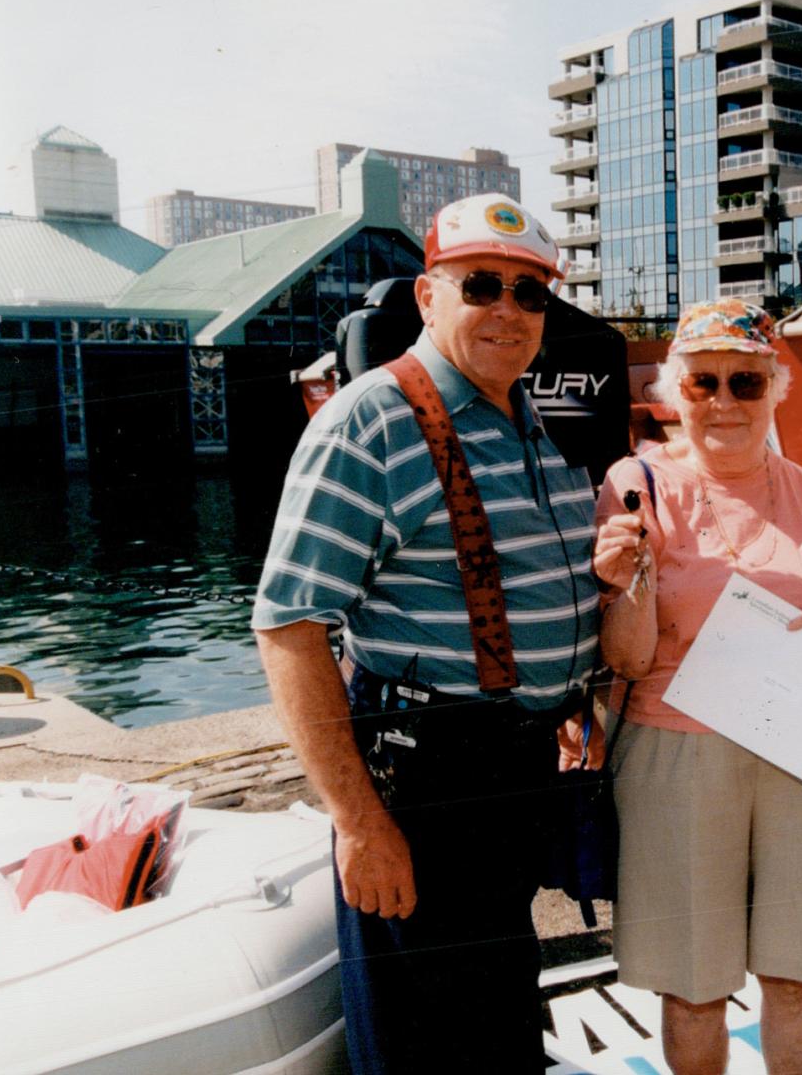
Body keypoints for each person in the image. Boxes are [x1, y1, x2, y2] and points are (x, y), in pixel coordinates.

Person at [252, 194, 600, 1073]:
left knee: (498, 1021)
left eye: (532, 296)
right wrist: (359, 822)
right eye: (482, 285)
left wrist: (561, 690)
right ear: (426, 297)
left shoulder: (524, 421)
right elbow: (289, 626)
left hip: (510, 771)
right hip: (426, 778)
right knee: (428, 1043)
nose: (509, 312)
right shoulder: (370, 420)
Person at [593, 298, 802, 1075]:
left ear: (775, 388)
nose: (724, 402)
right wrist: (628, 583)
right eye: (704, 383)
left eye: (746, 383)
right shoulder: (636, 483)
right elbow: (623, 659)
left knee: (797, 973)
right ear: (672, 394)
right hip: (675, 752)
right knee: (693, 985)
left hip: (798, 750)